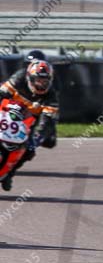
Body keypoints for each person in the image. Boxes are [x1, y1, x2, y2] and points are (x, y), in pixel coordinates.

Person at [0, 57, 59, 190]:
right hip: (6, 112)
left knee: (29, 151)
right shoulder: (19, 78)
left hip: (28, 120)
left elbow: (47, 121)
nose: (41, 84)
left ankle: (9, 173)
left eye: (44, 81)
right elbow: (2, 93)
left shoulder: (51, 97)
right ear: (29, 78)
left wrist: (37, 138)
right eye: (38, 80)